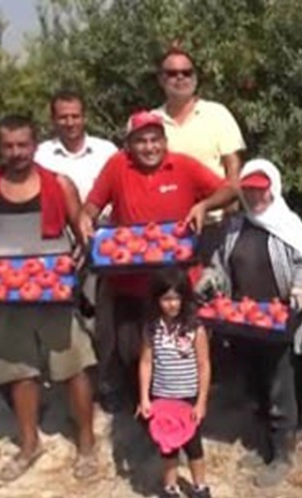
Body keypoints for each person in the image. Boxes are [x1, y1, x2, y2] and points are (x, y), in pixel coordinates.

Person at [80, 111, 237, 410]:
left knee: (179, 345)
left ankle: (179, 402)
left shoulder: (183, 165)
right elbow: (93, 204)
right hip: (128, 281)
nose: (149, 147)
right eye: (141, 141)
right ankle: (142, 402)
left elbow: (230, 190)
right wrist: (84, 216)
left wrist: (204, 204)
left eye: (155, 140)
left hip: (174, 284)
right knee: (130, 348)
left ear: (165, 141)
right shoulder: (117, 166)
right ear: (129, 144)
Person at [0, 115, 98, 482]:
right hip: (6, 296)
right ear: (0, 147)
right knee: (18, 371)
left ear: (35, 143)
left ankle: (86, 442)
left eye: (23, 145)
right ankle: (29, 444)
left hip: (53, 294)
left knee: (73, 367)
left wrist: (81, 253)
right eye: (8, 146)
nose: (16, 153)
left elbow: (82, 232)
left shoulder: (59, 184)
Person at [196, 159, 302, 487]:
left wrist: (301, 289)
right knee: (254, 385)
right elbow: (220, 265)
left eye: (261, 190)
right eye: (248, 190)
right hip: (242, 320)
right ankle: (264, 442)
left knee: (279, 387)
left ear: (272, 189)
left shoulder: (290, 226)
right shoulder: (234, 225)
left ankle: (282, 454)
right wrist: (210, 278)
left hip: (278, 322)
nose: (255, 196)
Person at [33, 90, 119, 401]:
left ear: (85, 116)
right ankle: (77, 381)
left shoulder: (106, 150)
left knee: (103, 316)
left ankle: (107, 381)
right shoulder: (41, 154)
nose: (70, 122)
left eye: (75, 115)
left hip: (105, 242)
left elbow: (118, 191)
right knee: (70, 319)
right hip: (60, 246)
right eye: (63, 116)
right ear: (53, 119)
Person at [152, 41, 247, 262]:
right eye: (172, 73)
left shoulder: (217, 114)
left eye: (187, 72)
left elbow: (233, 165)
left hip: (214, 224)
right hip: (166, 231)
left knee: (214, 291)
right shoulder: (150, 121)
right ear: (160, 79)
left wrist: (230, 200)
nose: (180, 78)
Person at [137, 269, 213, 498]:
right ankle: (170, 488)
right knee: (167, 446)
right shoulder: (152, 329)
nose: (172, 304)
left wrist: (201, 402)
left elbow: (204, 365)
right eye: (166, 299)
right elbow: (146, 363)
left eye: (176, 298)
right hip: (162, 398)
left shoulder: (195, 329)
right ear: (157, 300)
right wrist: (144, 398)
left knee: (193, 446)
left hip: (188, 399)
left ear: (185, 298)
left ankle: (199, 486)